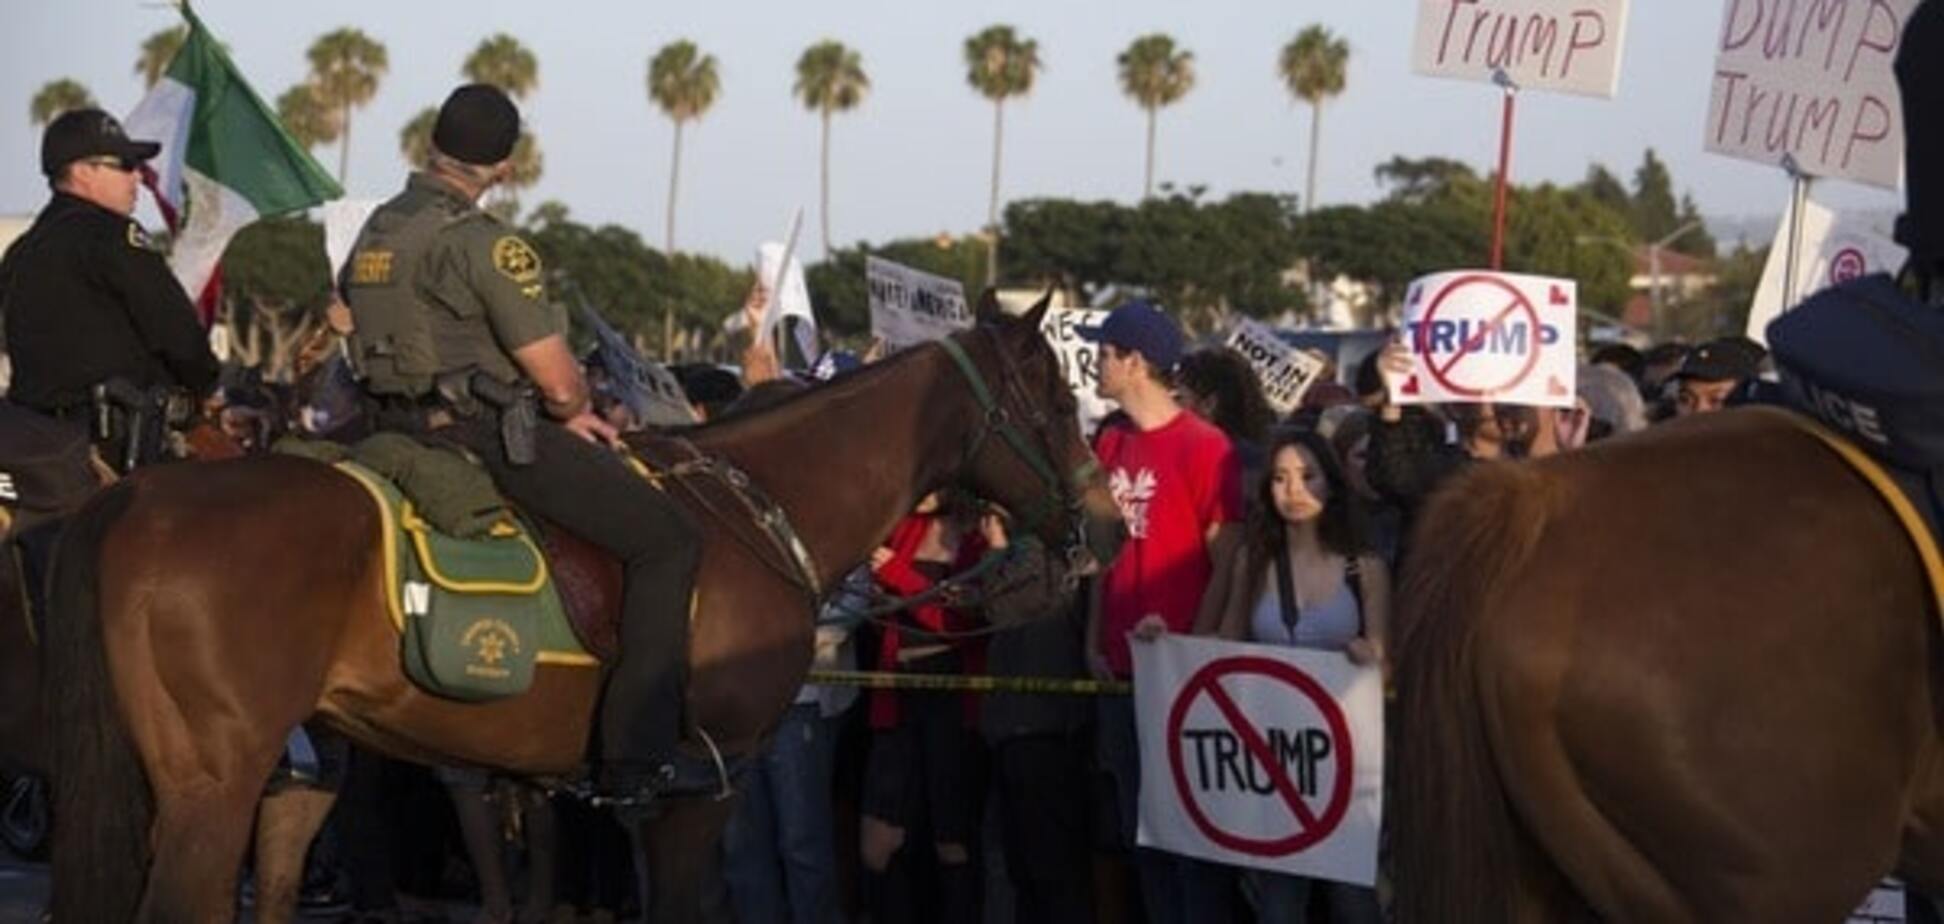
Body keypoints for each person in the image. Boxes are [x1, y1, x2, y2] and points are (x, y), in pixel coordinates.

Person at [340, 84, 699, 800]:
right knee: (670, 542)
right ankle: (636, 758)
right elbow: (561, 387)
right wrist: (572, 410)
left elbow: (344, 315)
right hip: (480, 433)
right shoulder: (486, 245)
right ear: (504, 167)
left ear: (431, 145)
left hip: (381, 426)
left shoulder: (377, 228)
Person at [1077, 300, 1244, 924]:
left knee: (1188, 840)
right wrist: (1094, 638)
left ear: (1134, 362)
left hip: (1182, 676)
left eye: (1105, 351)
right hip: (1118, 669)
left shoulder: (1206, 447)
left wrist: (1192, 649)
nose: (1097, 361)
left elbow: (1229, 561)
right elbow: (1103, 552)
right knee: (1138, 829)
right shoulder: (1110, 439)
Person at [1214, 427, 1387, 923]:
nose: (1294, 491)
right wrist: (1160, 643)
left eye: (1307, 476)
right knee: (1279, 905)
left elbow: (1386, 656)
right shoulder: (1252, 561)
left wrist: (1370, 653)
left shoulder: (1364, 566)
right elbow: (1225, 647)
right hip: (1272, 762)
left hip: (1347, 761)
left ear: (1331, 483)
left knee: (1354, 902)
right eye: (1280, 479)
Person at [0, 107, 219, 471]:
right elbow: (175, 330)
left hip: (34, 447)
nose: (138, 178)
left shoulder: (22, 252)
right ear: (83, 171)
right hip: (114, 447)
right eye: (125, 165)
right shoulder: (113, 236)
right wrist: (206, 384)